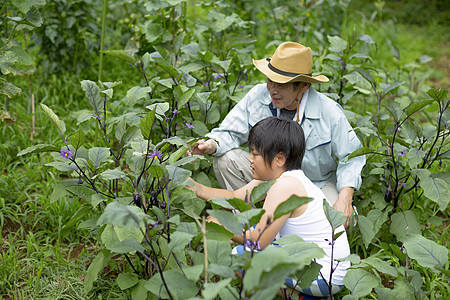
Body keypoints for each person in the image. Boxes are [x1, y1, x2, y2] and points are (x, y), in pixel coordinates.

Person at [191, 42, 365, 227]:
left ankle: (283, 232)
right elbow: (229, 132)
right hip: (268, 176)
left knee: (341, 220)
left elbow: (352, 157)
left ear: (303, 86)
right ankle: (248, 224)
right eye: (269, 80)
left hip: (315, 184)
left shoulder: (328, 111)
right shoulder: (258, 95)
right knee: (226, 159)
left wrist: (345, 199)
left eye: (281, 84)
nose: (272, 89)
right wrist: (211, 144)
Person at [188, 117, 350, 298]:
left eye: (255, 154)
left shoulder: (285, 186)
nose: (250, 159)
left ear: (279, 159)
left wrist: (221, 228)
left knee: (239, 256)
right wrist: (197, 188)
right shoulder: (286, 179)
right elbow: (234, 197)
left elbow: (258, 241)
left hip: (325, 275)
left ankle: (303, 297)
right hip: (332, 269)